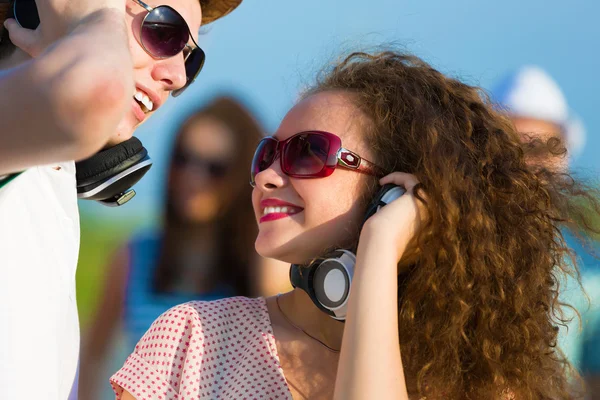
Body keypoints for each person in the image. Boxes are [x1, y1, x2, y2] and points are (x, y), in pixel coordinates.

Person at [111, 50, 599, 400]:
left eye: (306, 152)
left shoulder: (484, 384)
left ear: (392, 188)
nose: (266, 176)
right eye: (267, 152)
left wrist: (381, 246)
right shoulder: (190, 340)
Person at [0, 0, 242, 399]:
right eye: (165, 32)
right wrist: (91, 25)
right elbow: (96, 91)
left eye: (191, 59)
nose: (178, 76)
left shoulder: (49, 176)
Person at [79, 96, 290, 399]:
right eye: (184, 158)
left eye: (214, 167)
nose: (194, 176)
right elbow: (94, 354)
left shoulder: (263, 266)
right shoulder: (135, 256)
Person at [491, 65, 600, 398]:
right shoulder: (444, 245)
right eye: (511, 148)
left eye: (540, 149)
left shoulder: (592, 271)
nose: (525, 164)